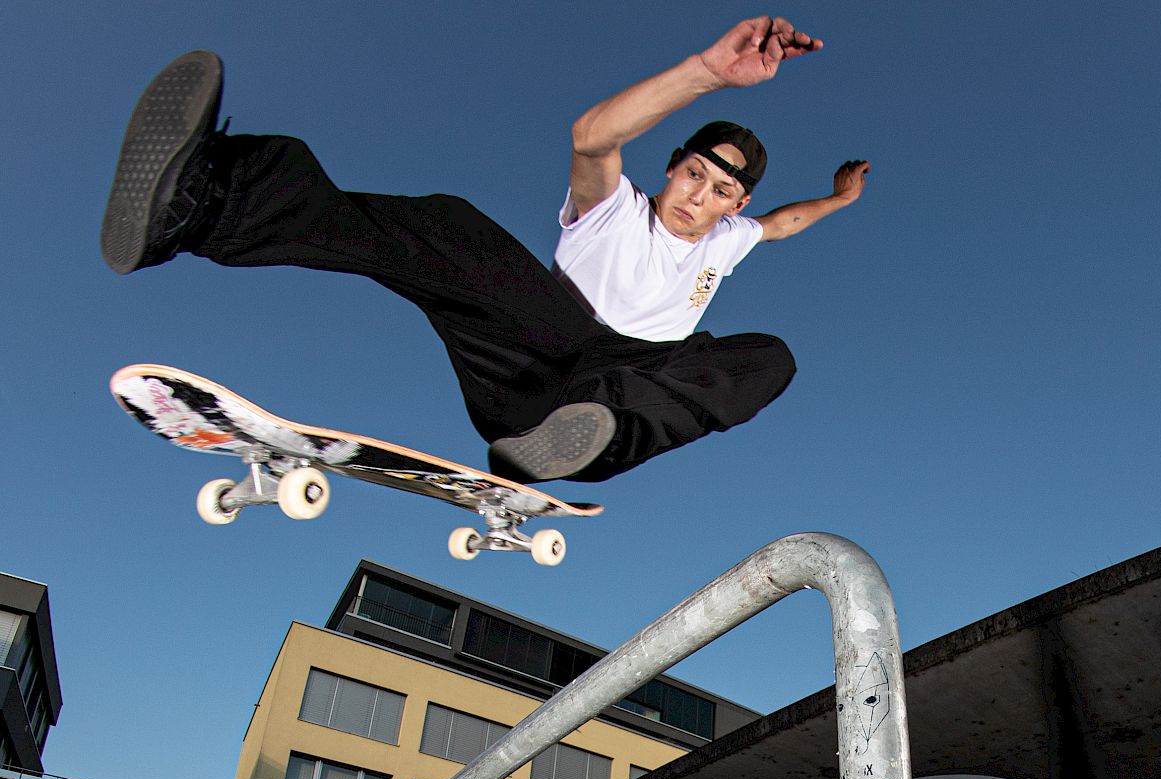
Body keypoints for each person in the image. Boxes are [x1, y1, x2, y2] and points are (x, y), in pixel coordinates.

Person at [100, 21, 869, 485]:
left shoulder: (734, 236)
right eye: (692, 174)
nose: (697, 197)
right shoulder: (613, 208)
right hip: (534, 342)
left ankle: (577, 439)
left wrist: (839, 202)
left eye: (718, 192)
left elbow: (786, 223)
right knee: (450, 228)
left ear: (735, 205)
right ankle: (201, 203)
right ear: (671, 166)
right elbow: (593, 137)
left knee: (766, 354)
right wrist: (705, 72)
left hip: (617, 389)